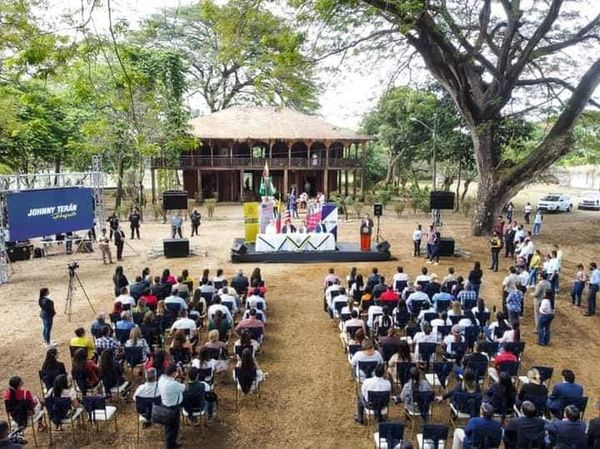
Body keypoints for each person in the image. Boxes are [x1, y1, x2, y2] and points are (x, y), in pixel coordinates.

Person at [158, 364, 185, 449]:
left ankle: (171, 443)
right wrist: (181, 377)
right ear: (173, 373)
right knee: (173, 428)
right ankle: (171, 445)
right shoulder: (173, 384)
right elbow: (184, 387)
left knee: (168, 427)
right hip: (173, 408)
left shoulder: (161, 378)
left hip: (165, 404)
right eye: (176, 371)